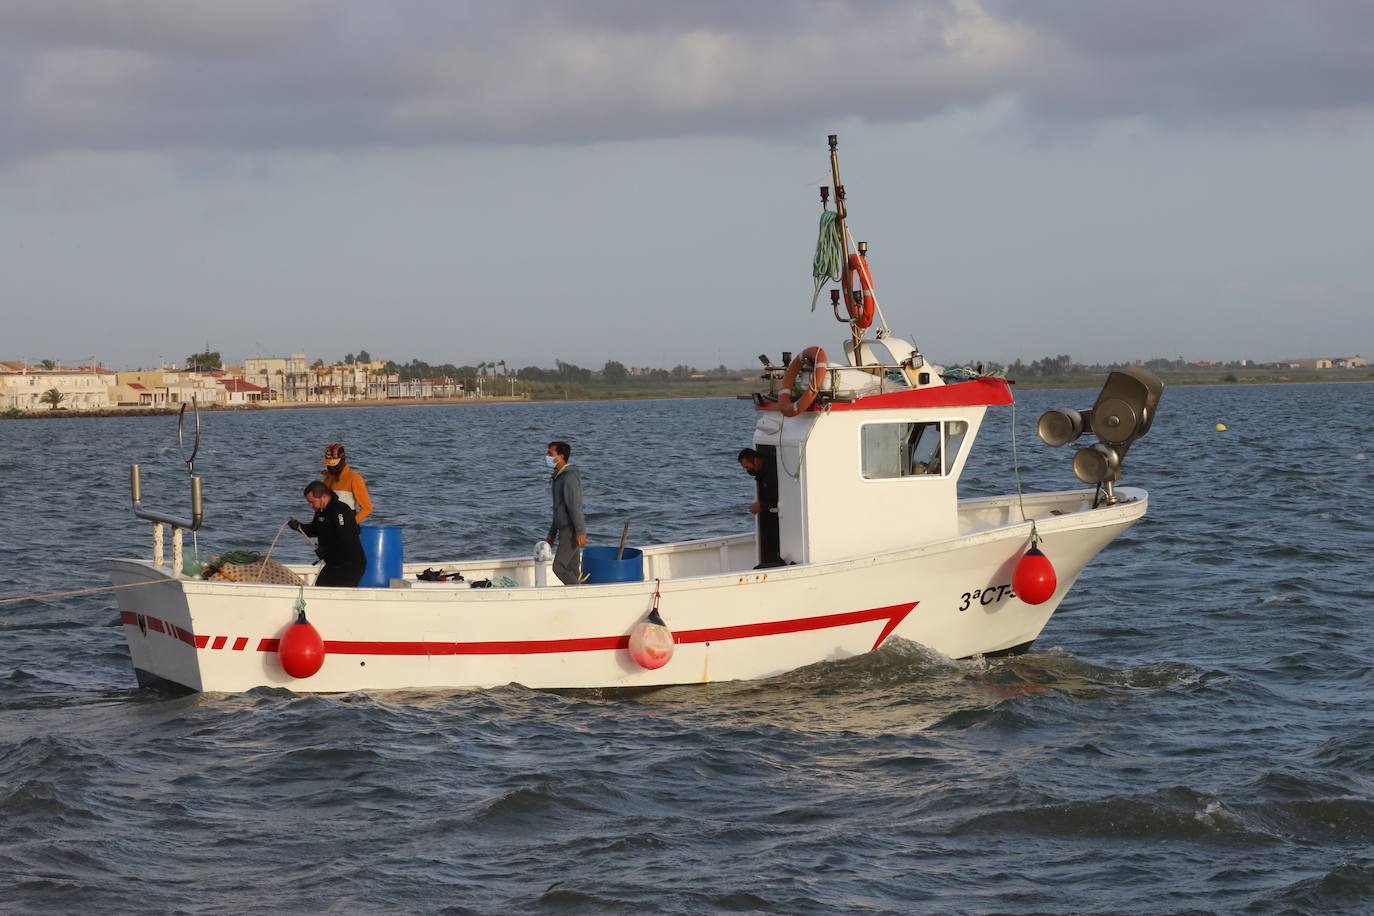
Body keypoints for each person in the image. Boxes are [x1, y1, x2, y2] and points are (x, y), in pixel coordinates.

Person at [289, 481, 366, 587]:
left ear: (323, 497)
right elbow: (313, 530)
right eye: (309, 503)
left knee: (337, 595)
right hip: (333, 564)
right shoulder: (320, 511)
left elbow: (345, 539)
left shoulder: (340, 510)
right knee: (318, 590)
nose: (311, 506)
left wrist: (326, 551)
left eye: (312, 502)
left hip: (350, 564)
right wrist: (298, 527)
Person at [545, 440, 587, 585]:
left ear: (561, 456)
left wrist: (580, 531)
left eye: (550, 454)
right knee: (572, 569)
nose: (547, 457)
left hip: (570, 529)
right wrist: (552, 533)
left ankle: (581, 595)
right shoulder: (557, 477)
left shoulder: (568, 477)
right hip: (563, 528)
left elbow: (574, 506)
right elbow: (558, 509)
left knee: (559, 567)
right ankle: (577, 599)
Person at [321, 442, 372, 524]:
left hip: (347, 529)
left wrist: (351, 524)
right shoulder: (326, 480)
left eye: (333, 464)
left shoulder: (355, 478)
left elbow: (367, 508)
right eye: (328, 464)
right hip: (329, 526)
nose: (330, 467)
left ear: (342, 460)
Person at [738, 447, 765, 514]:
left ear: (755, 460)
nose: (748, 470)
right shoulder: (758, 471)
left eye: (747, 467)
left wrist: (762, 506)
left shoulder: (770, 472)